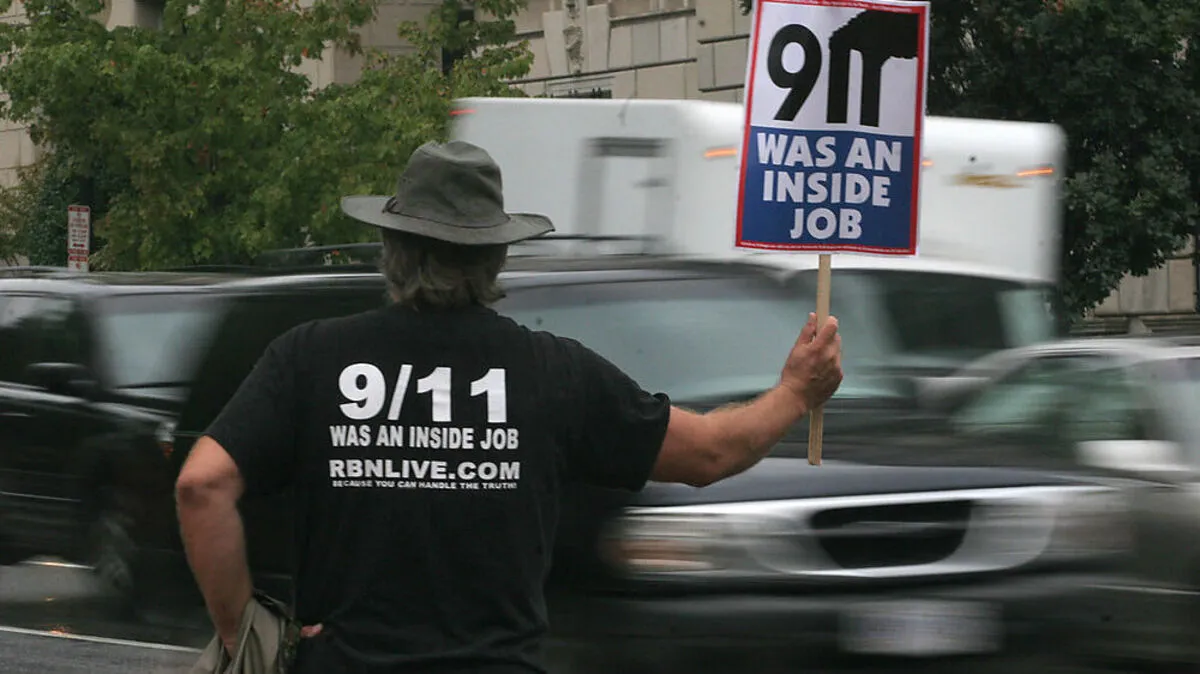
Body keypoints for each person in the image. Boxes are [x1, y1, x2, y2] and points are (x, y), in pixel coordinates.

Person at [175, 140, 843, 673]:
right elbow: (709, 454)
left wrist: (246, 633)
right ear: (495, 257)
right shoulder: (550, 372)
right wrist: (794, 394)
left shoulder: (310, 357)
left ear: (392, 248)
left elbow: (202, 486)